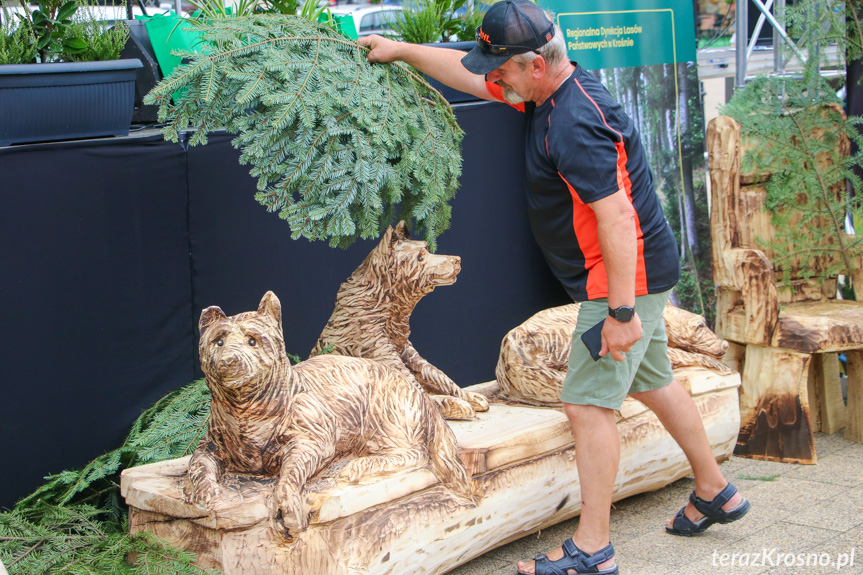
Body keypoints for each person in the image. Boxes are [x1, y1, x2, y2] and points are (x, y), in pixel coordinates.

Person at [360, 1, 750, 573]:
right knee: (654, 381)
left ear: (533, 65)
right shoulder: (549, 86)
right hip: (632, 275)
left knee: (586, 405)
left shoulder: (574, 122)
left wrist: (619, 312)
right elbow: (469, 73)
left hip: (620, 282)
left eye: (501, 71)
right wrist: (400, 52)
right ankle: (717, 490)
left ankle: (593, 549)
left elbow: (616, 218)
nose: (491, 80)